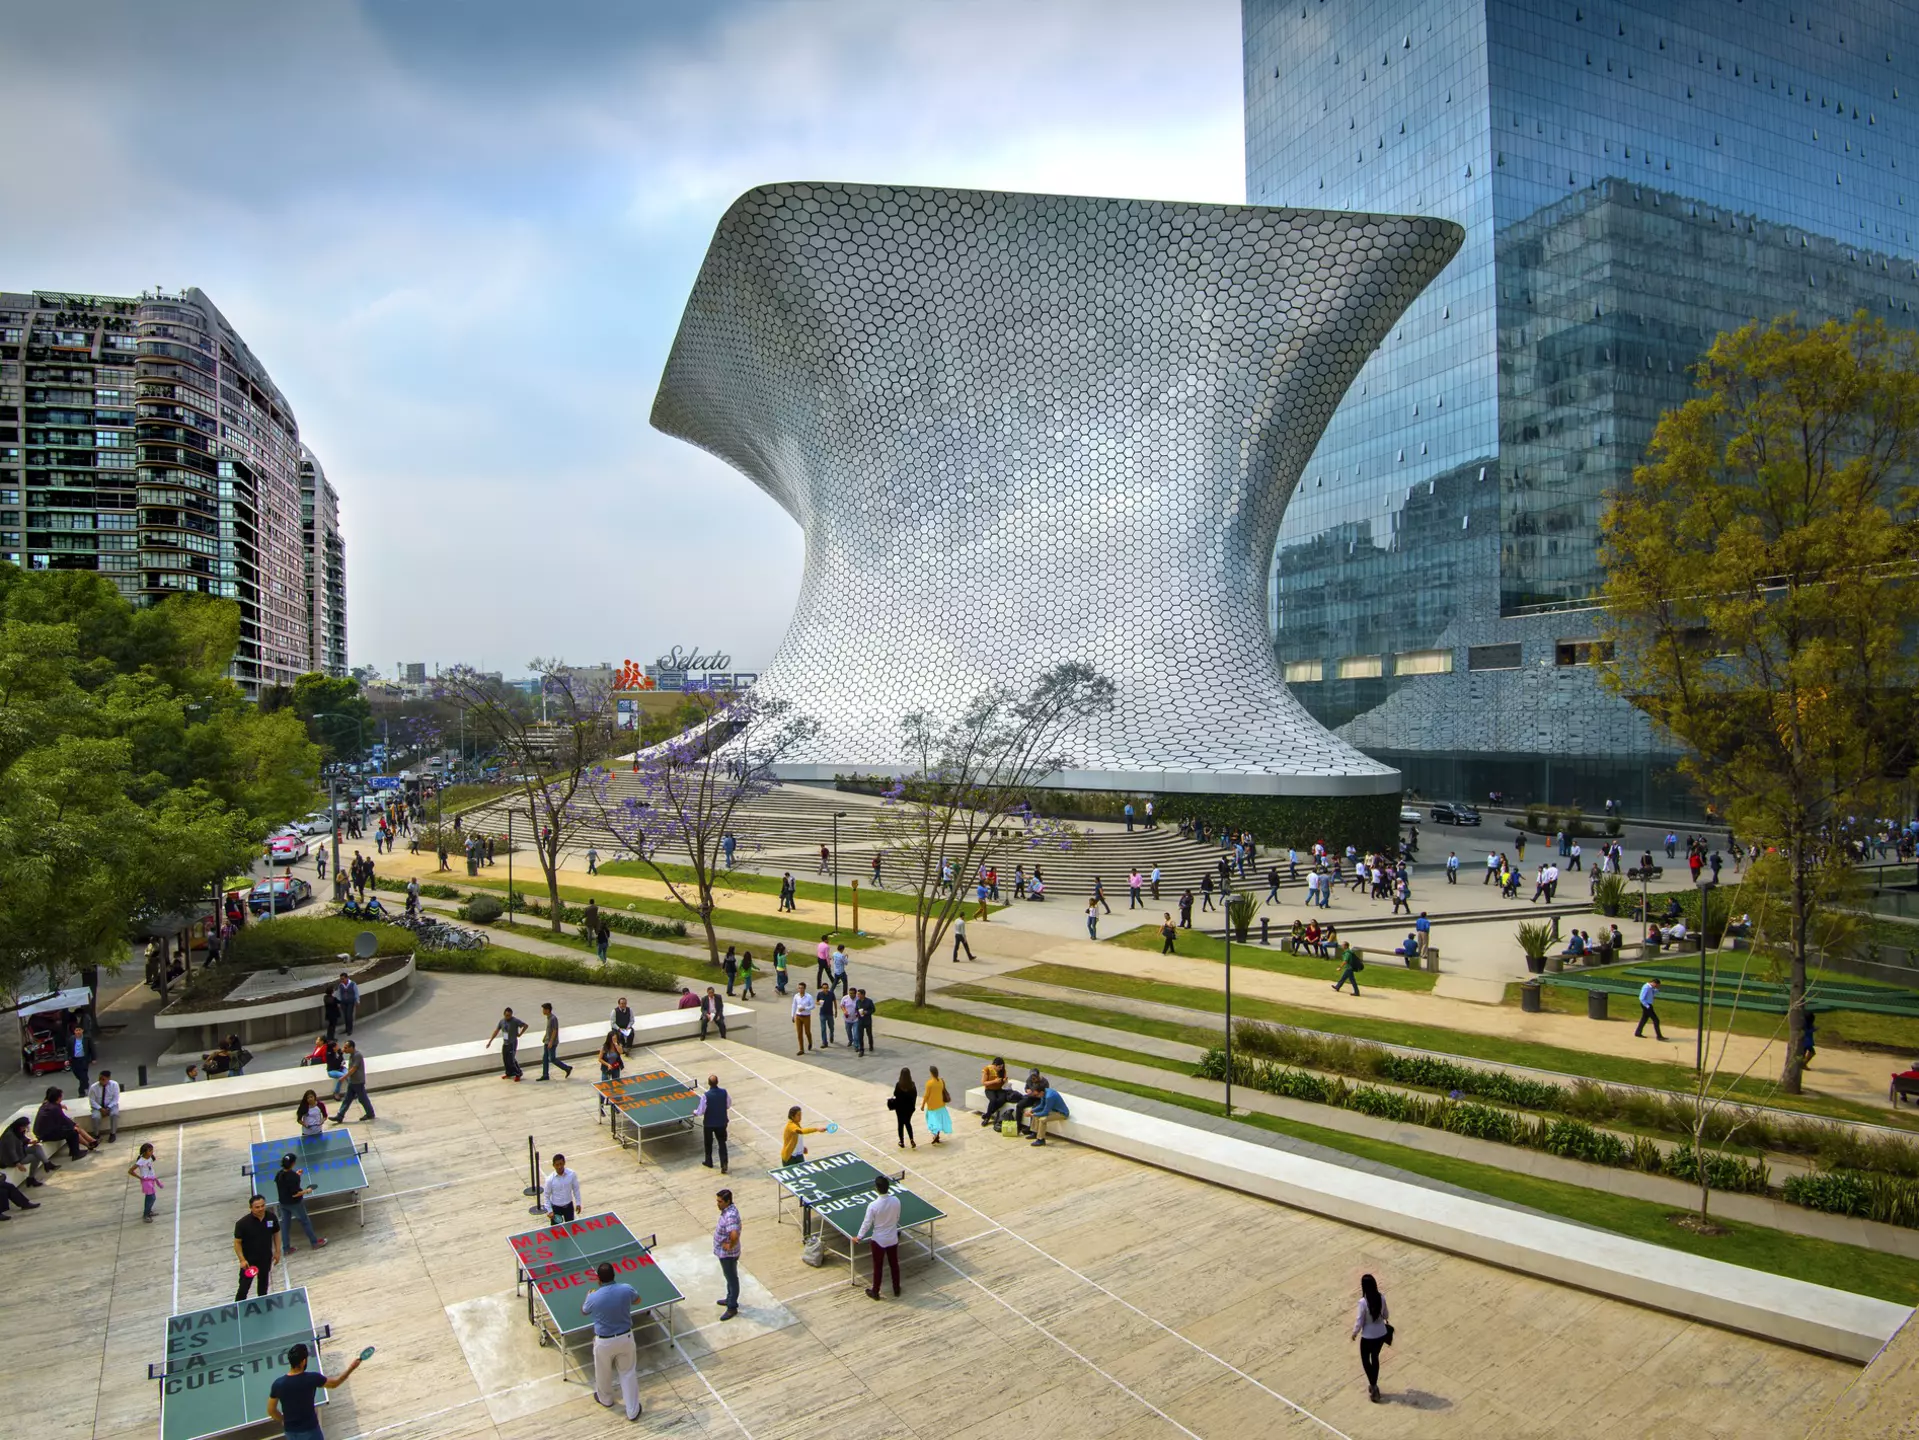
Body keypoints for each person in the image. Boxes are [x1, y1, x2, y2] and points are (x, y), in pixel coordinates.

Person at [580, 1260, 644, 1420]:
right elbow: (637, 1300)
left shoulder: (593, 1297)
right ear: (614, 1275)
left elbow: (584, 1311)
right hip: (625, 1338)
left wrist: (588, 1296)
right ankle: (633, 1411)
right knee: (628, 1373)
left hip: (604, 1342)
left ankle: (606, 1400)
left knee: (602, 1372)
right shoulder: (626, 1289)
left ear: (598, 1279)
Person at [267, 1339, 365, 1440]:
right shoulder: (312, 1378)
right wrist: (351, 1368)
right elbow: (335, 1383)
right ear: (304, 1361)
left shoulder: (278, 1384)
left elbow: (271, 1411)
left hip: (291, 1432)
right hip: (311, 1431)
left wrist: (283, 1419)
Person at [857, 1173, 903, 1300]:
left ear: (876, 1188)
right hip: (892, 1238)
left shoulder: (873, 1205)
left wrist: (859, 1237)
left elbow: (867, 1223)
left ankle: (875, 1292)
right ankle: (896, 1288)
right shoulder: (896, 1201)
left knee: (878, 1267)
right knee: (894, 1264)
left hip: (879, 1240)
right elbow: (897, 1217)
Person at [275, 1152, 328, 1252]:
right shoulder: (293, 1177)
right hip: (294, 1204)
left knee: (285, 1226)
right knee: (305, 1222)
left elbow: (287, 1184)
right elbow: (295, 1194)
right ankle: (315, 1243)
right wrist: (306, 1191)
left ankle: (286, 1249)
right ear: (293, 1163)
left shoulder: (279, 1174)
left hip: (283, 1203)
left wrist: (297, 1175)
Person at [233, 1192, 282, 1300]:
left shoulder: (271, 1217)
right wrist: (242, 1260)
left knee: (263, 1287)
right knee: (244, 1288)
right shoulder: (242, 1224)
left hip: (265, 1259)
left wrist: (278, 1251)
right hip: (249, 1263)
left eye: (262, 1206)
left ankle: (263, 1307)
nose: (260, 1209)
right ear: (251, 1208)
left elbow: (276, 1233)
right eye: (257, 1207)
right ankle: (238, 1308)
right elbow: (237, 1243)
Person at [1352, 1273, 1391, 1403]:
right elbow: (1386, 1314)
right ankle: (1374, 1384)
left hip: (1368, 1336)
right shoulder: (1382, 1298)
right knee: (1375, 1357)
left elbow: (1360, 1321)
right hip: (1381, 1334)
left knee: (1365, 1359)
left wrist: (1354, 1333)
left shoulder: (1363, 1302)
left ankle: (1373, 1385)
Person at [35, 1086, 97, 1159]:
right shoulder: (54, 1108)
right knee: (73, 1131)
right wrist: (73, 1125)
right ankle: (77, 1153)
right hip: (45, 1134)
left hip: (43, 1131)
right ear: (58, 1098)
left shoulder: (47, 1104)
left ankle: (89, 1143)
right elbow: (64, 1120)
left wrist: (72, 1124)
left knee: (70, 1129)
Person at [713, 1187, 743, 1320]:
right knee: (729, 1277)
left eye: (720, 1201)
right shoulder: (728, 1210)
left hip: (728, 1255)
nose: (717, 1204)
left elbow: (734, 1234)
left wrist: (729, 1245)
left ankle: (732, 1307)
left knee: (732, 1279)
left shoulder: (730, 1216)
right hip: (724, 1253)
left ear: (728, 1201)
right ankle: (729, 1298)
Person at [2, 1114, 53, 1186]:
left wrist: (30, 1141)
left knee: (36, 1147)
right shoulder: (10, 1135)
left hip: (20, 1151)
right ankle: (31, 1178)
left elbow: (22, 1139)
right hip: (11, 1159)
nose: (25, 1129)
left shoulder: (17, 1131)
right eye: (24, 1127)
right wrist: (17, 1163)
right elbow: (11, 1151)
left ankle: (46, 1163)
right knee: (35, 1158)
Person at [332, 1041, 375, 1121]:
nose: (344, 1049)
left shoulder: (357, 1055)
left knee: (362, 1099)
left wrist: (344, 1077)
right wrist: (341, 1052)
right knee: (347, 1100)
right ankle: (340, 1116)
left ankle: (370, 1114)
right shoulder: (352, 1055)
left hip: (358, 1082)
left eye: (346, 1047)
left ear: (351, 1047)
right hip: (352, 1081)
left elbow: (353, 1069)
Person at [698, 1074, 730, 1173]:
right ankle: (724, 1163)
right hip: (721, 1122)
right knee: (722, 1143)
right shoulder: (724, 1092)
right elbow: (728, 1105)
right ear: (717, 1082)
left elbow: (701, 1111)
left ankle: (709, 1161)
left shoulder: (705, 1096)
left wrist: (695, 1112)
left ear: (709, 1083)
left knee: (708, 1143)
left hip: (709, 1124)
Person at [536, 1002, 573, 1082]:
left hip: (551, 1042)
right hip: (547, 1041)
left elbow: (554, 1030)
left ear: (548, 1010)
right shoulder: (548, 1018)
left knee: (552, 1058)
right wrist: (545, 1037)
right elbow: (549, 1029)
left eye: (544, 1009)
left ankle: (567, 1068)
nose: (543, 1011)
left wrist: (551, 1042)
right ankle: (545, 1075)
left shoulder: (553, 1018)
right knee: (545, 1058)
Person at [488, 1007, 527, 1080]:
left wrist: (520, 1034)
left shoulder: (515, 1021)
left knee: (511, 1059)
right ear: (504, 1014)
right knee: (505, 1059)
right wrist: (490, 1041)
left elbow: (525, 1025)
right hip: (505, 1043)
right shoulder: (502, 1021)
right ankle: (509, 1073)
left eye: (509, 1015)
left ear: (511, 1015)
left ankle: (518, 1073)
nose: (507, 1017)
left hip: (512, 1043)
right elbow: (496, 1031)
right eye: (506, 1015)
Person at [542, 1153, 582, 1223]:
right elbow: (546, 1196)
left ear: (564, 1163)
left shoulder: (572, 1174)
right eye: (557, 1165)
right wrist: (549, 1211)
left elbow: (576, 1189)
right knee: (556, 1231)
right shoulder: (550, 1179)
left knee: (570, 1228)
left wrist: (578, 1203)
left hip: (569, 1207)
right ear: (553, 1165)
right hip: (556, 1208)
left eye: (561, 1164)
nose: (559, 1167)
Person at [1028, 1078, 1070, 1146]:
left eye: (1036, 1095)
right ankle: (1035, 1132)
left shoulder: (1049, 1096)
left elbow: (1045, 1112)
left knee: (1042, 1120)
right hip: (1054, 1111)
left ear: (1041, 1092)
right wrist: (1032, 1111)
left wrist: (1032, 1114)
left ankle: (1041, 1139)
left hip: (1061, 1113)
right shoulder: (1044, 1093)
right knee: (1037, 1114)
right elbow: (1041, 1105)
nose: (1036, 1096)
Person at [128, 1140, 161, 1222]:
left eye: (152, 1150)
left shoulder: (150, 1158)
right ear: (144, 1152)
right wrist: (140, 1178)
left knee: (149, 1197)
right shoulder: (141, 1161)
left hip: (151, 1179)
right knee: (152, 1198)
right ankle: (146, 1215)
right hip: (146, 1181)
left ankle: (148, 1211)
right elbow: (130, 1171)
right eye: (150, 1151)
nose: (152, 1152)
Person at [87, 1070, 121, 1143]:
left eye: (103, 1079)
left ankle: (113, 1133)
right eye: (100, 1079)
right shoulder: (93, 1087)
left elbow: (115, 1099)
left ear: (108, 1079)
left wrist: (108, 1107)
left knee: (114, 1114)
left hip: (111, 1105)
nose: (101, 1081)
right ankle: (96, 1135)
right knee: (95, 1117)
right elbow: (92, 1101)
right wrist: (100, 1108)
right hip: (98, 1106)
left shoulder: (114, 1085)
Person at [923, 1065, 952, 1145]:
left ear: (931, 1073)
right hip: (941, 1105)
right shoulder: (941, 1081)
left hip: (932, 1106)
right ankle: (937, 1135)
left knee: (932, 1121)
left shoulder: (929, 1083)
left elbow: (926, 1096)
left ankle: (935, 1135)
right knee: (938, 1121)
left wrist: (922, 1105)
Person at [891, 1068, 918, 1149]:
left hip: (899, 1108)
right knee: (908, 1123)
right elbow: (915, 1095)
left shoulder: (898, 1085)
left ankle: (902, 1141)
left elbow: (895, 1093)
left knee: (900, 1124)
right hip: (909, 1108)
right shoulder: (912, 1085)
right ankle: (911, 1139)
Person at [68, 1021, 94, 1091]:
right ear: (74, 1032)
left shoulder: (87, 1038)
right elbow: (68, 1050)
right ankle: (86, 1082)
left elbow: (92, 1048)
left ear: (82, 1030)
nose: (78, 1032)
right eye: (77, 1030)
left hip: (84, 1060)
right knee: (78, 1074)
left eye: (79, 1030)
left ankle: (81, 1091)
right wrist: (67, 1059)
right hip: (75, 1060)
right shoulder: (71, 1039)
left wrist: (93, 1058)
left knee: (83, 1074)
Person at [790, 983, 815, 1054]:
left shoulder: (808, 996)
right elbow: (794, 1005)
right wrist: (792, 1015)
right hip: (798, 1016)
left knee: (807, 1032)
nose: (800, 989)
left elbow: (813, 1006)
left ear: (804, 989)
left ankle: (810, 1042)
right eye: (799, 988)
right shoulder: (796, 996)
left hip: (806, 1016)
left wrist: (805, 1008)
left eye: (802, 988)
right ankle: (801, 1049)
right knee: (799, 1033)